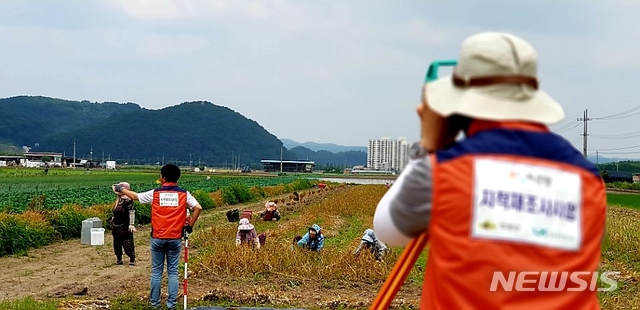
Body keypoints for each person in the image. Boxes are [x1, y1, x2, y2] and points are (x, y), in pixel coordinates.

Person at [373, 32, 606, 309]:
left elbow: (388, 230)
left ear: (457, 107)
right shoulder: (588, 180)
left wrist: (428, 145)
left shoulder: (444, 171)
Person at [114, 164, 203, 310]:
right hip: (175, 238)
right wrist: (189, 225)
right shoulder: (184, 194)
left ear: (163, 178)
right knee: (173, 272)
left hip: (158, 237)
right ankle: (171, 305)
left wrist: (121, 189)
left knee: (156, 271)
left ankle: (155, 304)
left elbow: (135, 197)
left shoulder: (155, 193)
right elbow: (198, 208)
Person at [110, 181, 136, 266]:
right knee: (116, 243)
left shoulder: (128, 201)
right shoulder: (118, 200)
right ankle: (119, 259)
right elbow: (116, 211)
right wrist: (114, 218)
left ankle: (132, 258)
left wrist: (131, 224)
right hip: (116, 224)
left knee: (127, 242)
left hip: (125, 225)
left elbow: (132, 212)